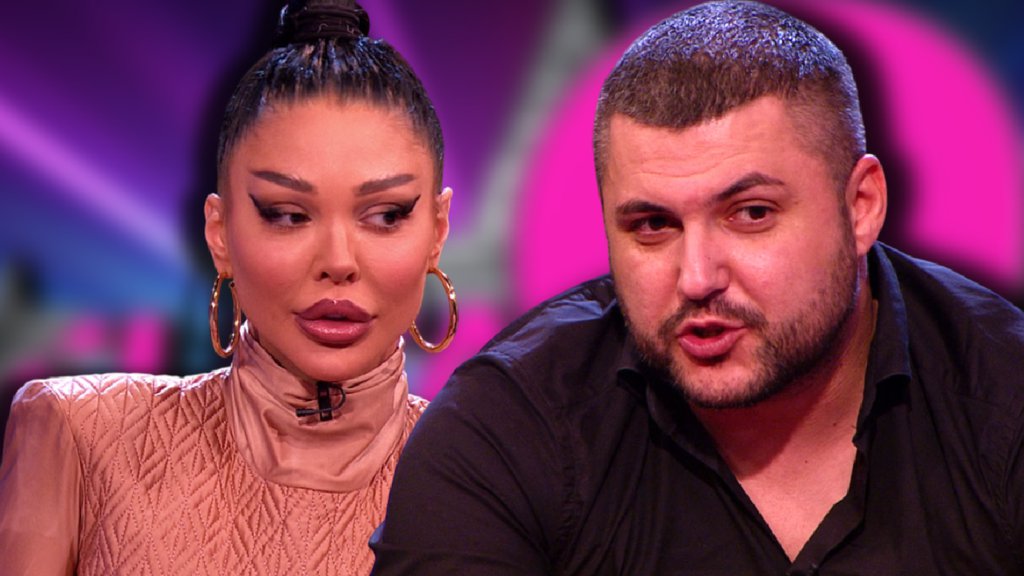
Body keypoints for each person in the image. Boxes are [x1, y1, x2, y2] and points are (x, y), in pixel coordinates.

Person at [370, 1, 1024, 574]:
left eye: (751, 214)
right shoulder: (505, 432)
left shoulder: (1005, 395)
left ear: (861, 207)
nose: (698, 278)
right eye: (653, 226)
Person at [0, 0, 457, 573]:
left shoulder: (491, 482)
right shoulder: (80, 434)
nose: (338, 262)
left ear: (437, 230)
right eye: (287, 215)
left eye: (386, 215)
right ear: (219, 233)